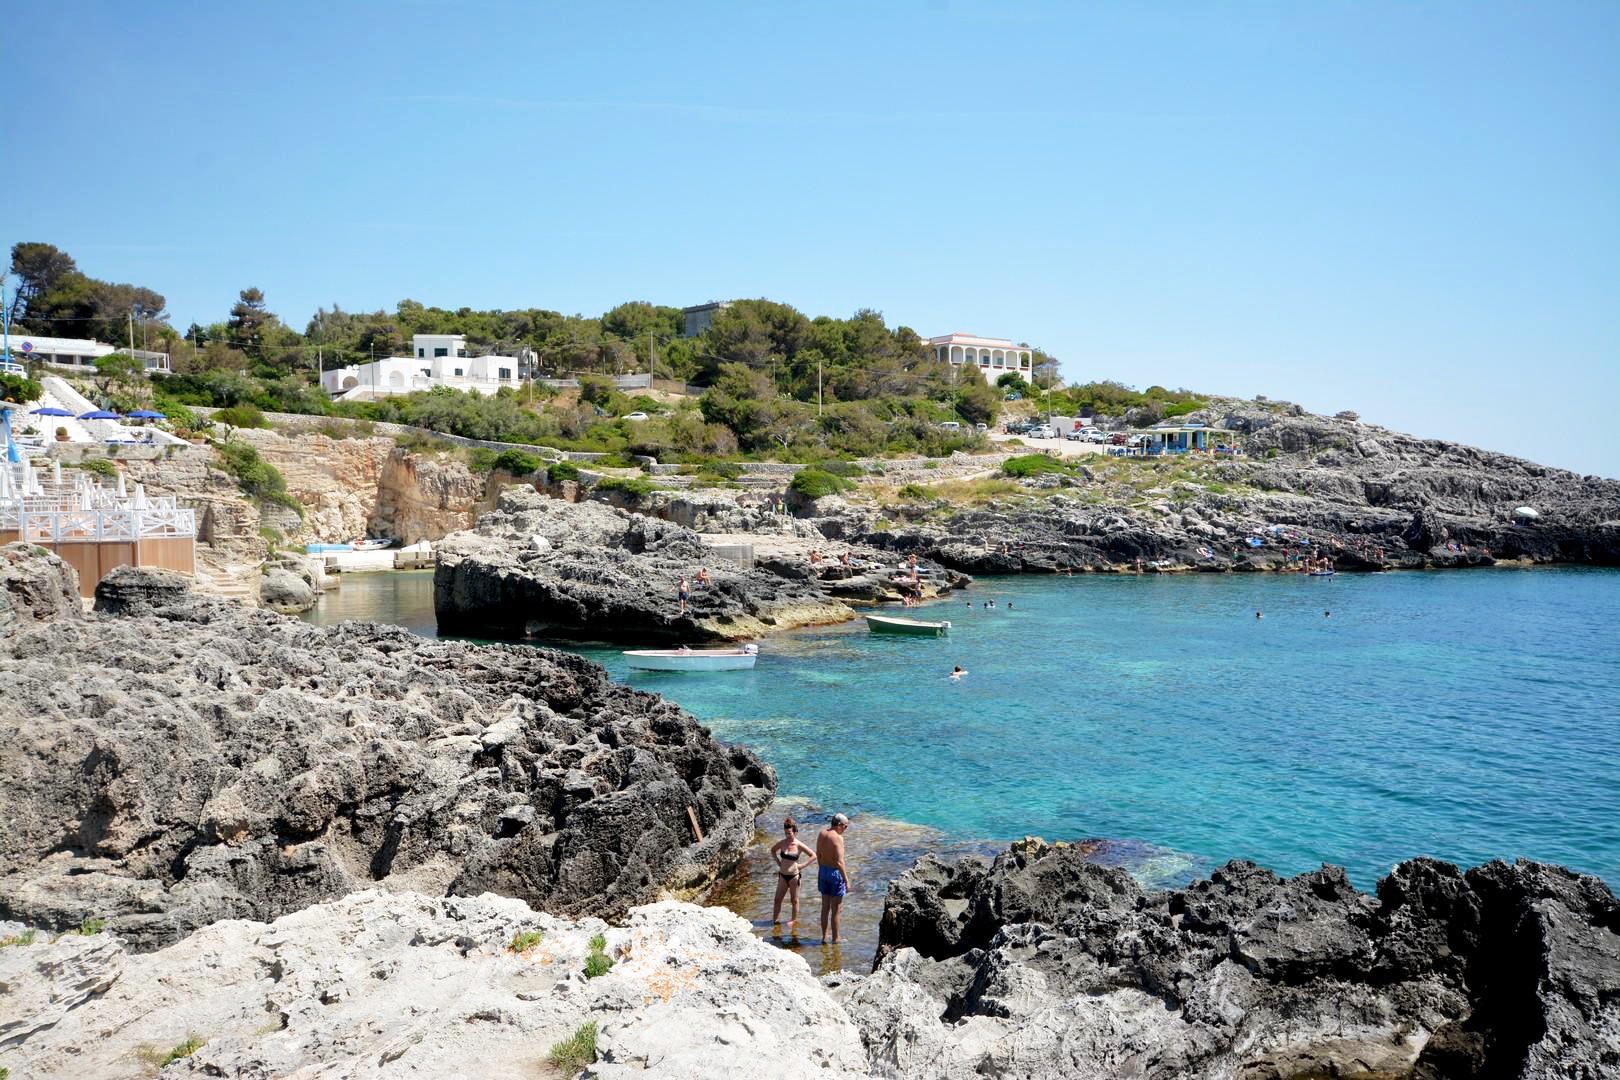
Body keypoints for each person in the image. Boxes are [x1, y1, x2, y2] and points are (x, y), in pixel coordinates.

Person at [770, 817, 817, 928]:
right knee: (777, 900)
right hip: (782, 876)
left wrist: (802, 866)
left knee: (794, 900)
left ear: (795, 831)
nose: (787, 835)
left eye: (789, 833)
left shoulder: (799, 844)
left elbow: (813, 855)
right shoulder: (782, 843)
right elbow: (772, 851)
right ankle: (775, 921)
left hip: (794, 876)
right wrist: (778, 862)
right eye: (786, 833)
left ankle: (793, 920)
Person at [817, 814, 852, 945]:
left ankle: (824, 937)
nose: (846, 828)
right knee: (836, 909)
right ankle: (836, 939)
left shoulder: (821, 833)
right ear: (838, 825)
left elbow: (818, 854)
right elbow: (839, 862)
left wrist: (822, 870)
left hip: (823, 870)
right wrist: (846, 880)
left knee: (825, 907)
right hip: (834, 874)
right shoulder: (838, 838)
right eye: (845, 826)